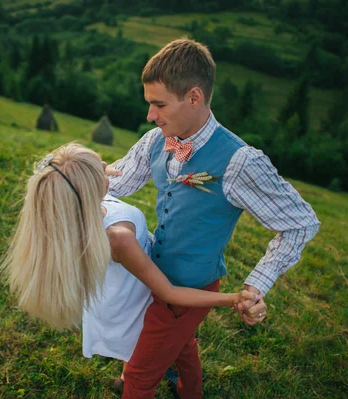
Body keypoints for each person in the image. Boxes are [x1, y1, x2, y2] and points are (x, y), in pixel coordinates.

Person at [105, 38, 321, 398]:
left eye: (159, 105)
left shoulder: (239, 161)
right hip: (157, 273)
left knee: (141, 374)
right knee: (182, 344)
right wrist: (78, 172)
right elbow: (121, 179)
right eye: (149, 104)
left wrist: (255, 286)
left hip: (192, 285)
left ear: (194, 97)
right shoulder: (155, 141)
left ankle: (136, 384)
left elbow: (300, 222)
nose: (150, 115)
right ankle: (190, 392)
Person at [0, 143, 260, 387]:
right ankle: (154, 384)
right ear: (90, 187)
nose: (107, 167)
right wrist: (233, 298)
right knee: (154, 356)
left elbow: (80, 177)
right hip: (144, 292)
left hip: (126, 280)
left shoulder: (78, 211)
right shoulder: (118, 238)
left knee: (182, 345)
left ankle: (181, 387)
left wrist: (92, 169)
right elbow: (169, 293)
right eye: (101, 168)